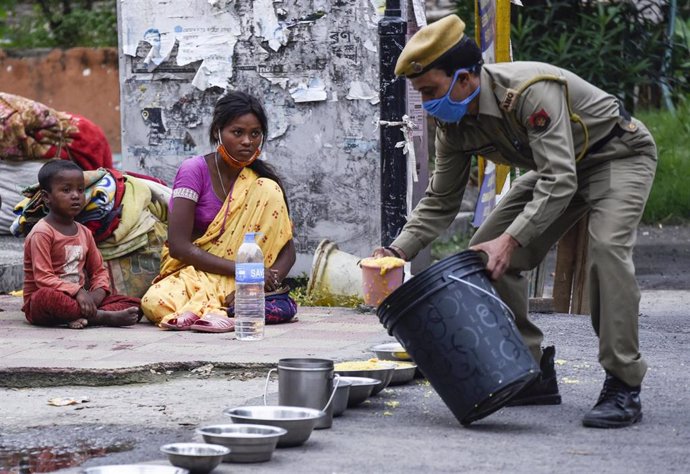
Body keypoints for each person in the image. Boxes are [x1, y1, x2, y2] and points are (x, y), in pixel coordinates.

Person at [374, 15, 657, 428]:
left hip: (615, 156)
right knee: (481, 259)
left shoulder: (527, 92)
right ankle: (533, 370)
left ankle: (623, 384)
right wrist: (397, 252)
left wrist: (511, 239)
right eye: (421, 94)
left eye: (431, 91)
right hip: (554, 170)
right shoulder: (451, 126)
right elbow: (440, 200)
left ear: (466, 78)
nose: (428, 104)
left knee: (607, 253)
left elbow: (561, 179)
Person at [141, 91, 296, 332]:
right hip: (196, 274)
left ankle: (211, 312)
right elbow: (179, 246)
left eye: (255, 134)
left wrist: (259, 285)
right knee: (154, 302)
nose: (247, 141)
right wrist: (248, 272)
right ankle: (220, 311)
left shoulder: (264, 184)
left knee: (269, 188)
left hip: (244, 282)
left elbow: (288, 251)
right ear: (218, 133)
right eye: (238, 132)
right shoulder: (194, 171)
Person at [23, 160, 141, 329]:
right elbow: (43, 278)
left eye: (80, 190)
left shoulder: (84, 232)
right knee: (46, 298)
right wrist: (77, 292)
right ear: (46, 197)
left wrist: (97, 294)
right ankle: (101, 317)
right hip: (46, 302)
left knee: (134, 305)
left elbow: (99, 270)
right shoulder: (42, 232)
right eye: (66, 190)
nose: (75, 195)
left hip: (80, 299)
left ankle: (83, 314)